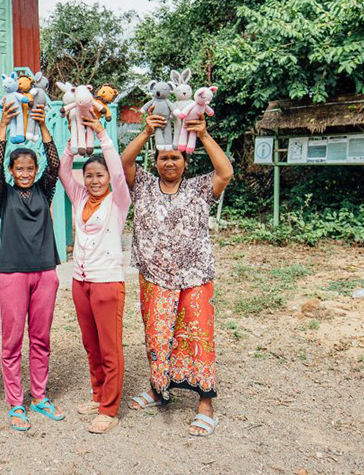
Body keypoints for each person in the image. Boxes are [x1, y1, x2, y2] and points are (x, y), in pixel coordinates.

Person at [120, 113, 233, 437]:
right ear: (155, 161)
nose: (169, 163)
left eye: (175, 157)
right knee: (157, 337)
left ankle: (205, 403)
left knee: (198, 338)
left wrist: (205, 136)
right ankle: (158, 389)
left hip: (195, 276)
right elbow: (125, 161)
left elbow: (225, 172)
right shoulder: (141, 184)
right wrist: (146, 132)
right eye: (164, 158)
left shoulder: (199, 188)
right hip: (155, 278)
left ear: (185, 160)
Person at [0, 102, 64, 431]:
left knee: (41, 338)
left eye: (29, 168)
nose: (24, 173)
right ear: (11, 170)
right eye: (18, 168)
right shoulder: (3, 194)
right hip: (13, 273)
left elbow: (56, 162)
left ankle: (39, 396)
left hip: (45, 271)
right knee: (11, 342)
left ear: (35, 171)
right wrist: (4, 126)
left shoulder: (44, 190)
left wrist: (43, 126)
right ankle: (15, 403)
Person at [58, 117, 130, 434]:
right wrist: (73, 141)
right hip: (80, 282)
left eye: (99, 175)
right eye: (89, 175)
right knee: (91, 344)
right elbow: (63, 171)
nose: (95, 180)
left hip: (107, 282)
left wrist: (101, 135)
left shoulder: (118, 201)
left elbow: (118, 172)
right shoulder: (79, 198)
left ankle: (109, 408)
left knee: (110, 347)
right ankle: (98, 393)